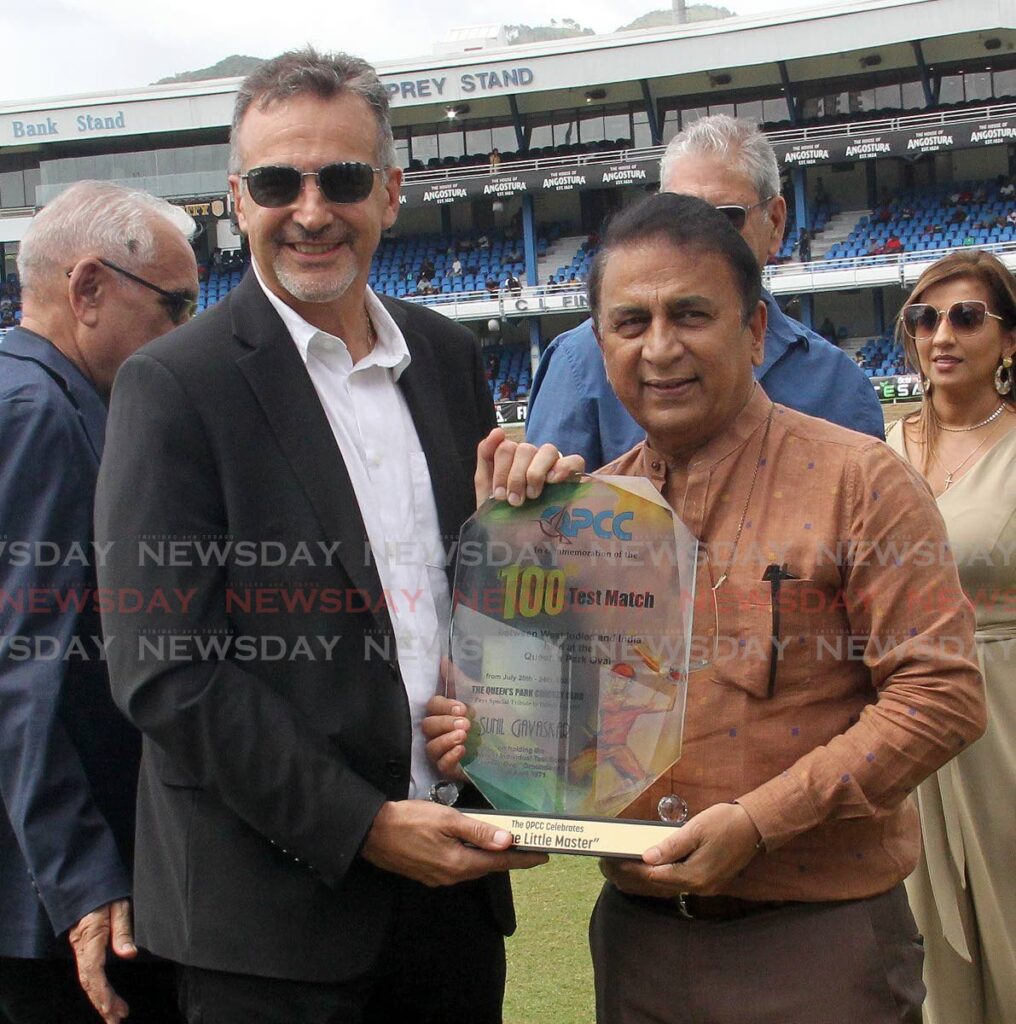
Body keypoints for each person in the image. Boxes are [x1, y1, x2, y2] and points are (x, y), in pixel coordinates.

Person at [426, 194, 985, 1024]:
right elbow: (553, 726)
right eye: (630, 322)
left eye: (690, 314)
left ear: (754, 330)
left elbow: (941, 697)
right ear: (600, 343)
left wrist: (759, 824)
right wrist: (481, 723)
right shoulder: (586, 513)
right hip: (639, 946)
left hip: (816, 946)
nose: (660, 348)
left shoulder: (858, 481)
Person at [93, 48, 545, 1024]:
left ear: (388, 191)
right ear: (235, 199)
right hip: (269, 930)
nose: (309, 209)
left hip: (450, 907)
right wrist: (367, 825)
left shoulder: (447, 359)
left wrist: (527, 533)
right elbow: (165, 669)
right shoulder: (174, 387)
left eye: (340, 178)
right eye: (275, 181)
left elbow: (472, 614)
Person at [0, 180, 198, 1024]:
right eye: (175, 306)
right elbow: (25, 668)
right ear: (87, 290)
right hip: (65, 908)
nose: (188, 330)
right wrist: (83, 880)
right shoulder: (41, 415)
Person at [526, 115, 884, 469]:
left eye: (725, 218)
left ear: (774, 223)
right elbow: (548, 520)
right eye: (680, 217)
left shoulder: (837, 383)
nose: (700, 240)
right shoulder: (578, 363)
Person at [886, 250, 1016, 1024]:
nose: (942, 335)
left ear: (1008, 340)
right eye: (924, 319)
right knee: (919, 943)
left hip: (1004, 709)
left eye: (967, 317)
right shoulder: (882, 449)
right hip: (903, 716)